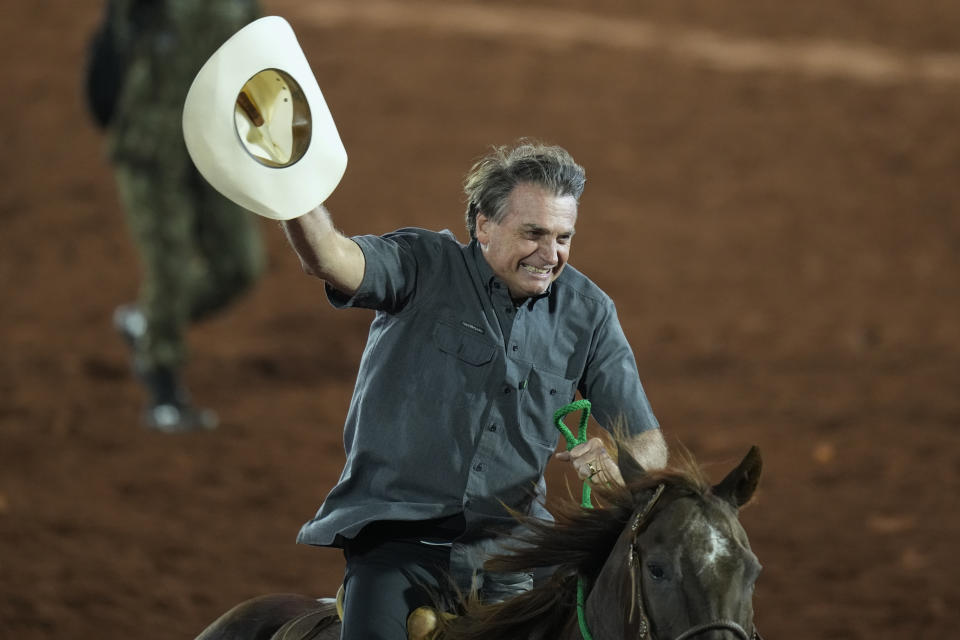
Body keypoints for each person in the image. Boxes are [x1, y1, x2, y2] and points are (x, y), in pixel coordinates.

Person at [280, 140, 668, 640]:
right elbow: (331, 259)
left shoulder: (588, 314)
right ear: (484, 224)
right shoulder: (422, 265)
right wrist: (288, 188)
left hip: (514, 555)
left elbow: (648, 442)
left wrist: (622, 466)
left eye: (563, 237)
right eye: (534, 233)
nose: (550, 255)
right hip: (401, 547)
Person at [101, 0, 265, 432]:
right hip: (152, 144)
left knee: (239, 266)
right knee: (170, 272)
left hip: (214, 145)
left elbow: (257, 55)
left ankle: (148, 322)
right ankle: (163, 392)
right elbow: (110, 49)